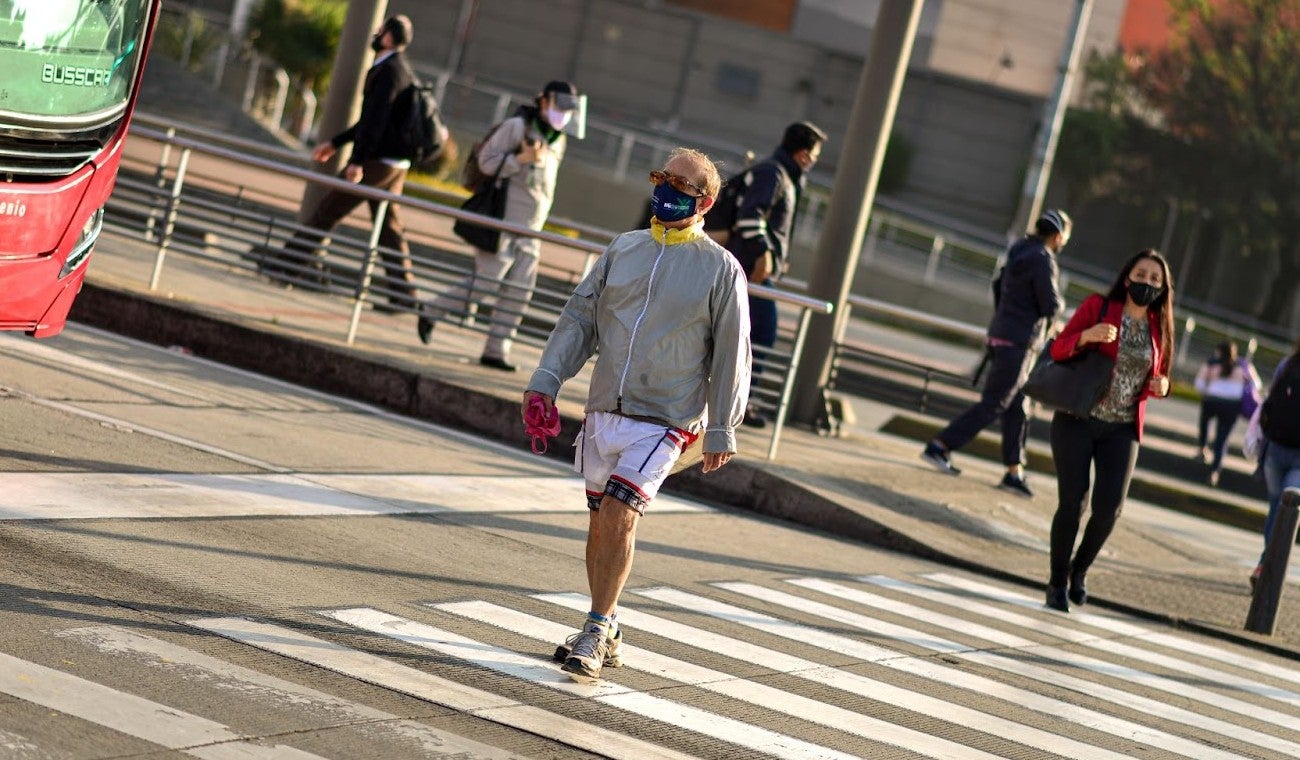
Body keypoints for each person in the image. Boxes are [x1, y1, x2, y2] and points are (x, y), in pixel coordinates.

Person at [523, 147, 750, 682]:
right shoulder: (622, 249)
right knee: (601, 523)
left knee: (622, 515)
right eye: (662, 177)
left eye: (682, 182)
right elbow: (580, 320)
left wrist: (721, 427)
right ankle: (611, 623)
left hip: (667, 417)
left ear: (706, 200)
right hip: (607, 407)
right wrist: (546, 381)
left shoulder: (720, 269)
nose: (667, 187)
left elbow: (731, 353)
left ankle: (595, 631)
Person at [416, 81, 582, 372]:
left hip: (532, 228)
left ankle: (496, 350)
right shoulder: (517, 127)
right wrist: (520, 159)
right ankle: (431, 310)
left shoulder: (558, 139)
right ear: (543, 101)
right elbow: (486, 162)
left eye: (569, 110)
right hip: (502, 222)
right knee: (487, 283)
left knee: (519, 291)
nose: (563, 115)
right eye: (560, 107)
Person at [1044, 249, 1175, 612]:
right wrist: (1088, 335)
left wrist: (1164, 387)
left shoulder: (1159, 327)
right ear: (1127, 276)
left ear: (1163, 289)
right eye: (1141, 274)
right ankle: (1056, 583)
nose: (1146, 282)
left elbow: (1159, 377)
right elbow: (1057, 349)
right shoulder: (1098, 307)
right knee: (1073, 504)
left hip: (1122, 429)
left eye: (1154, 279)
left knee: (1109, 511)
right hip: (1078, 419)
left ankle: (1078, 571)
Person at [266, 15, 420, 313]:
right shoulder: (401, 70)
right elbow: (370, 122)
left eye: (382, 30)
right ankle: (405, 296)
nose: (376, 33)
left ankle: (284, 267)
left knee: (328, 210)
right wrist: (335, 143)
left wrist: (356, 162)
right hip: (395, 165)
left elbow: (373, 124)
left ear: (389, 37)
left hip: (377, 164)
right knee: (389, 230)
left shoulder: (388, 72)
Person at [921, 209, 1071, 497]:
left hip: (1001, 333)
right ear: (1058, 235)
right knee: (995, 404)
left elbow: (1000, 286)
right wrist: (1061, 310)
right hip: (1019, 342)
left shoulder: (1019, 249)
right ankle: (940, 446)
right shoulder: (1043, 259)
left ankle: (1014, 472)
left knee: (1017, 407)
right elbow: (1050, 304)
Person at [716, 122, 826, 427]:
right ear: (803, 155)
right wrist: (765, 252)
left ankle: (735, 400)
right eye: (814, 155)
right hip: (752, 268)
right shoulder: (775, 173)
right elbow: (751, 215)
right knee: (763, 333)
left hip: (753, 267)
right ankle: (740, 403)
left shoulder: (779, 173)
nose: (814, 162)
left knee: (744, 334)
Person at [1247, 337, 1300, 590]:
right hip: (1286, 453)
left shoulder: (1288, 364)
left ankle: (1265, 567)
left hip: (1276, 449)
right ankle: (1268, 568)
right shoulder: (1288, 365)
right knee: (1284, 510)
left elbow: (1270, 400)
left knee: (1279, 509)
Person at [1193, 341, 1260, 486]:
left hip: (1212, 400)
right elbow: (1256, 384)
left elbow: (1198, 384)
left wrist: (1208, 389)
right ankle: (1215, 471)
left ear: (1219, 351)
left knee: (1204, 422)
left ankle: (1202, 447)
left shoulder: (1211, 363)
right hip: (1231, 405)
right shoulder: (1243, 365)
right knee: (1222, 439)